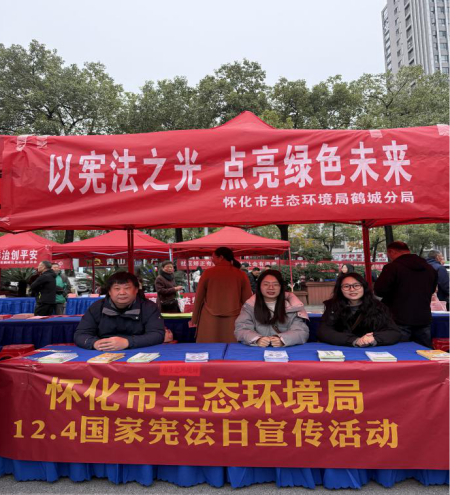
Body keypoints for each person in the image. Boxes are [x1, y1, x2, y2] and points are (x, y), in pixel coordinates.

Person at [74, 271, 165, 350]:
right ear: (109, 291)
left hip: (138, 350)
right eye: (117, 288)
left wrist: (127, 342)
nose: (122, 293)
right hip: (103, 351)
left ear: (136, 290)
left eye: (127, 288)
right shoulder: (97, 307)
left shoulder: (149, 307)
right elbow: (80, 334)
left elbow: (157, 334)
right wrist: (94, 343)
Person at [374, 241, 437, 348]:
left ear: (392, 251)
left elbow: (379, 290)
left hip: (397, 318)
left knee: (400, 352)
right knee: (424, 352)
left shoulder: (392, 268)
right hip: (423, 317)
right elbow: (432, 290)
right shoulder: (430, 268)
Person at [318, 273, 401, 347]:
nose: (352, 289)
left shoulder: (378, 307)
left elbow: (394, 332)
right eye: (346, 286)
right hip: (343, 348)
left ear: (364, 287)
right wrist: (354, 340)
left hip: (371, 351)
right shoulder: (333, 306)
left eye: (356, 285)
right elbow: (325, 331)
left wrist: (374, 338)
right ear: (340, 289)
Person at [192, 247, 252, 343]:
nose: (212, 260)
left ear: (221, 257)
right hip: (234, 318)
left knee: (208, 347)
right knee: (233, 348)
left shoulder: (208, 273)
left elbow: (199, 298)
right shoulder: (241, 274)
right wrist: (251, 319)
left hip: (209, 318)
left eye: (213, 257)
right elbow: (247, 300)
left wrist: (194, 319)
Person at [235, 269, 309, 347]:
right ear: (259, 286)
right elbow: (241, 330)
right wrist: (256, 339)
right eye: (266, 284)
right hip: (257, 350)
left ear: (281, 287)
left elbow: (301, 332)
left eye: (275, 284)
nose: (271, 287)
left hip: (285, 351)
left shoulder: (293, 306)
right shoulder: (250, 306)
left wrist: (283, 339)